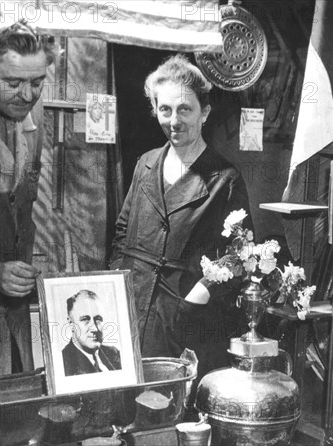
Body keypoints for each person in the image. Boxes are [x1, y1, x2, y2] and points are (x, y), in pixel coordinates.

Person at [110, 54, 250, 379]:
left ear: (205, 113)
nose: (175, 121)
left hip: (186, 317)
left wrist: (197, 295)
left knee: (175, 407)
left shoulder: (224, 179)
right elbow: (121, 234)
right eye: (165, 110)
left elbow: (239, 257)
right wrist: (119, 287)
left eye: (185, 109)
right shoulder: (145, 163)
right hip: (134, 306)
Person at [0, 17, 54, 379]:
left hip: (14, 320)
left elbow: (23, 207)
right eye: (13, 82)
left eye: (37, 82)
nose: (27, 94)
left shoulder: (31, 114)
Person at [62, 290, 122, 376]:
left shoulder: (114, 354)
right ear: (71, 324)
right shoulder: (63, 362)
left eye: (98, 319)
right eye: (85, 319)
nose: (94, 328)